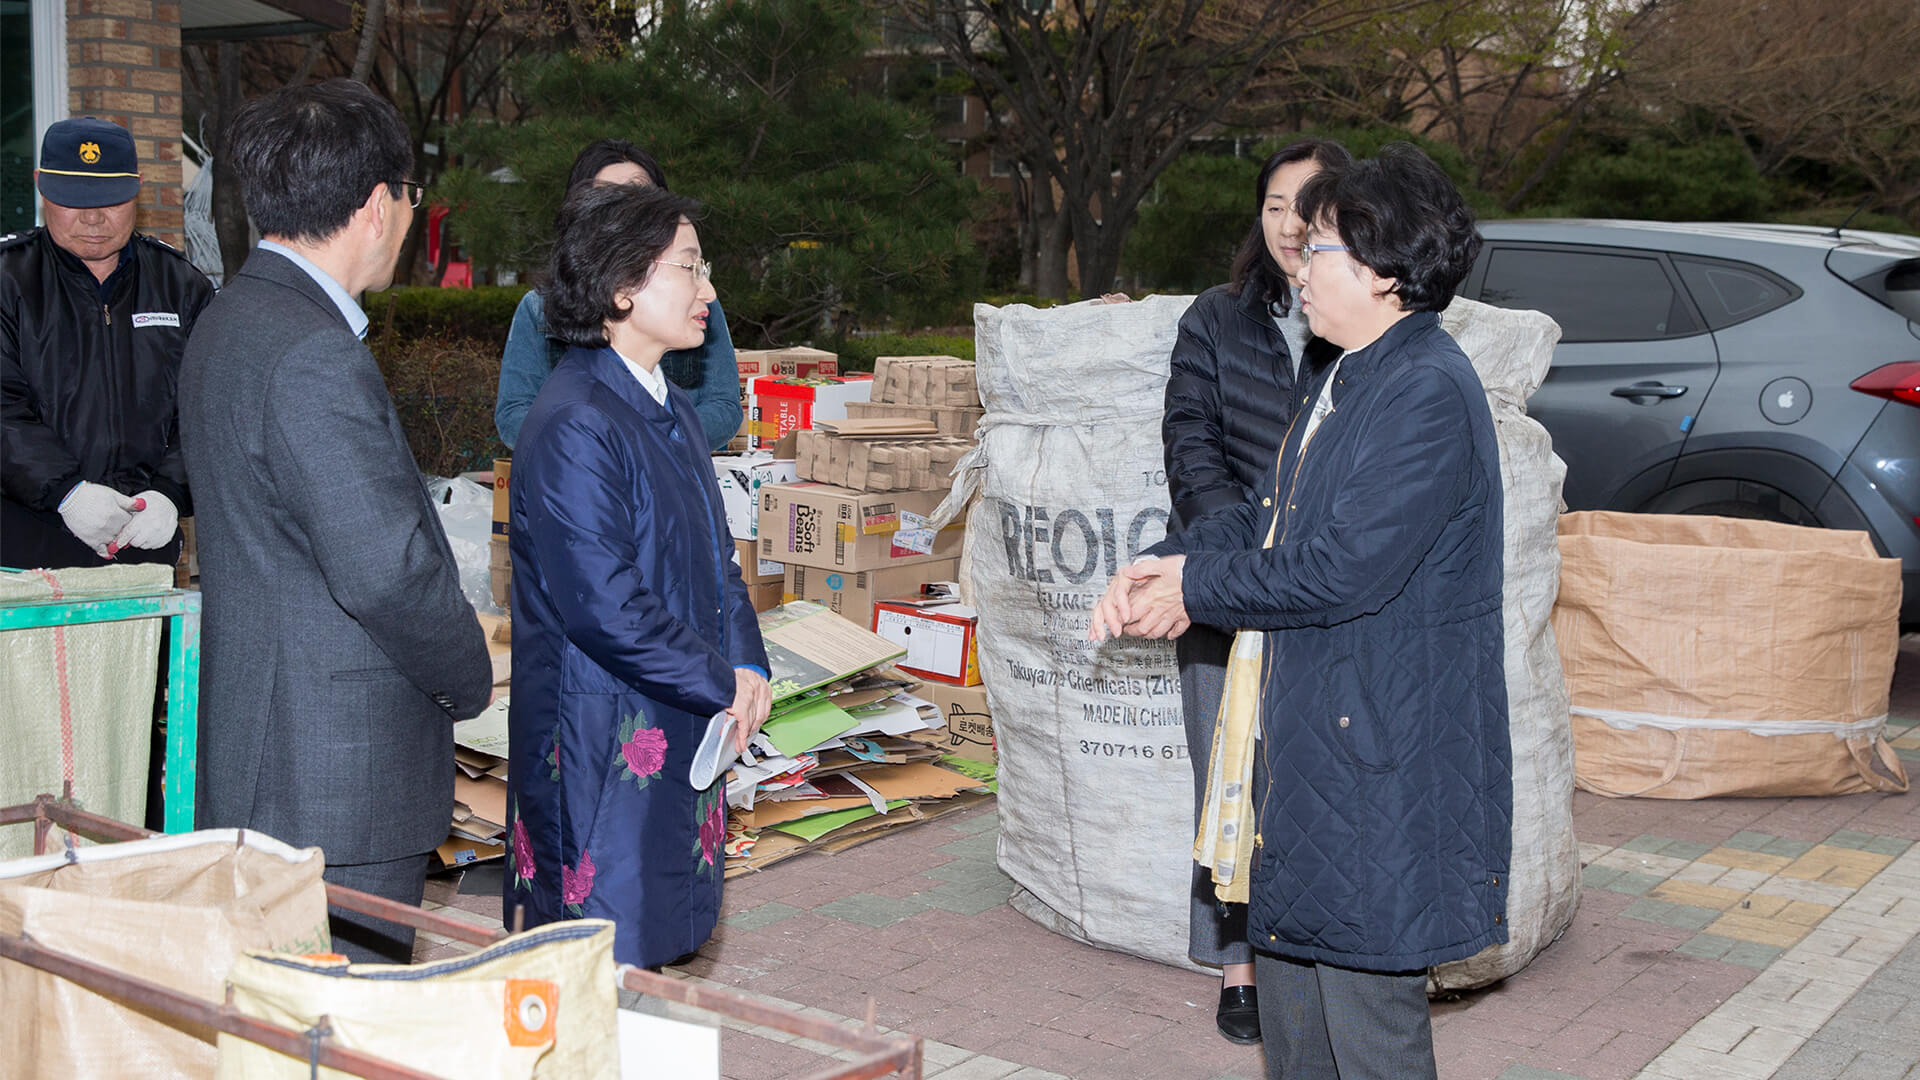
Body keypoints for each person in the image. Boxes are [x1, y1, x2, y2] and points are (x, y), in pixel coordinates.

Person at [1093, 144, 1509, 1079]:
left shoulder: (1425, 392)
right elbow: (1270, 515)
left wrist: (1198, 590)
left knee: (1369, 1031)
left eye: (1319, 247)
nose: (1295, 258)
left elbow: (1340, 569)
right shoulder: (1343, 374)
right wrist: (1168, 562)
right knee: (1295, 1026)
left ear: (1384, 271)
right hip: (1309, 751)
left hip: (1378, 762)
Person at [179, 79, 492, 964]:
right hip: (335, 777)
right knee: (341, 1023)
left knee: (283, 1018)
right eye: (408, 194)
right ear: (375, 206)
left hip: (265, 746)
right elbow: (383, 570)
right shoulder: (313, 350)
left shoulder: (233, 317)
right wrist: (467, 676)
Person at [503, 182, 771, 969]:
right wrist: (719, 678)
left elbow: (718, 563)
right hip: (598, 734)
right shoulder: (576, 418)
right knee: (596, 959)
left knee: (662, 937)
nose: (708, 290)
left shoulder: (672, 409)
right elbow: (604, 605)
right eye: (689, 268)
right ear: (623, 286)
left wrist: (748, 663)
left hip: (678, 711)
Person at [1161, 137, 1350, 1045]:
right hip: (1226, 567)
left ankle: (1313, 950)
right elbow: (1191, 448)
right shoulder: (1216, 319)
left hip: (1320, 575)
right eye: (1274, 204)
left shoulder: (1354, 321)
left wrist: (1299, 555)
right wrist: (1229, 565)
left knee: (1310, 773)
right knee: (1226, 768)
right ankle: (1237, 963)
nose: (1287, 224)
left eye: (1306, 207)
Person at [2, 116, 215, 571]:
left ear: (137, 187)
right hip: (23, 536)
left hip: (144, 533)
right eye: (75, 201)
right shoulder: (6, 280)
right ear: (41, 186)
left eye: (110, 201)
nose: (94, 219)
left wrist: (170, 493)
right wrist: (66, 493)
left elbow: (207, 408)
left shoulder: (181, 286)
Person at [493, 139, 742, 452]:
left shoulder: (695, 301)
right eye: (607, 199)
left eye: (639, 195)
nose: (626, 210)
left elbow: (724, 407)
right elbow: (515, 416)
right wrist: (607, 445)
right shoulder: (538, 310)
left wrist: (656, 443)